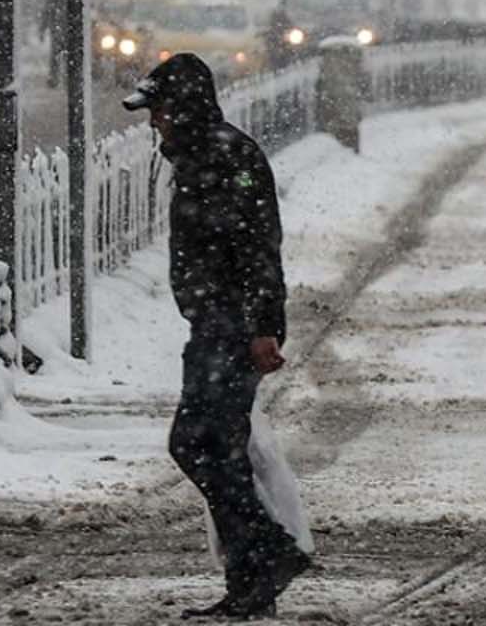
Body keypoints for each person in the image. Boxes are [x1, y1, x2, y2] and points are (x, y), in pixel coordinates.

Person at [123, 54, 313, 619]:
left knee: (198, 442)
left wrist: (261, 328)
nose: (153, 121)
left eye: (157, 109)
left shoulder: (227, 158)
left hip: (231, 327)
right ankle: (253, 577)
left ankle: (269, 552)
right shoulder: (203, 155)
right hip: (213, 323)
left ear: (181, 107)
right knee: (215, 447)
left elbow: (257, 249)